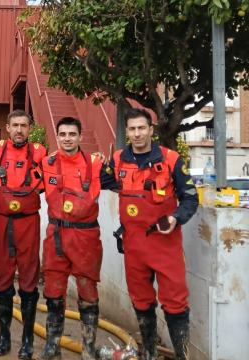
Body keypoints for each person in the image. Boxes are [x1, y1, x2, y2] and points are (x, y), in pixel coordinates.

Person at [102, 108, 198, 360]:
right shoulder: (118, 159)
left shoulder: (171, 160)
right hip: (133, 245)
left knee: (175, 302)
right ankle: (149, 353)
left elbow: (190, 198)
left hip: (165, 243)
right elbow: (102, 180)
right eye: (132, 129)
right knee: (141, 301)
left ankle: (181, 355)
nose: (136, 134)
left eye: (141, 128)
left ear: (151, 130)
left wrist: (176, 218)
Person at [40, 117, 107, 360]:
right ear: (56, 137)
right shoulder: (45, 163)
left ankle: (88, 347)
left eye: (72, 134)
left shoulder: (96, 164)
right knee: (53, 292)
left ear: (80, 137)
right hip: (56, 236)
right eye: (62, 134)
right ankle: (52, 346)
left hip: (85, 237)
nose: (67, 138)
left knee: (88, 292)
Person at [0, 110, 47, 360]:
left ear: (30, 128)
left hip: (29, 223)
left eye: (24, 125)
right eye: (15, 125)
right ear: (6, 127)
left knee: (29, 281)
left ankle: (28, 341)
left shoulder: (41, 153)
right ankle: (4, 337)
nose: (19, 130)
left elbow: (67, 162)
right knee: (3, 279)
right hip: (1, 222)